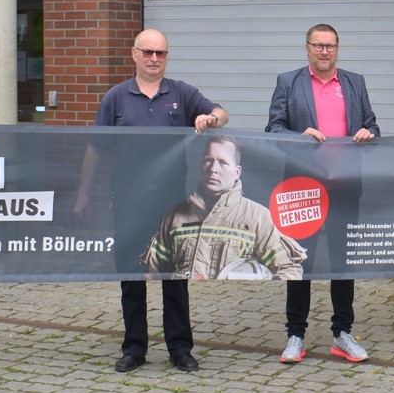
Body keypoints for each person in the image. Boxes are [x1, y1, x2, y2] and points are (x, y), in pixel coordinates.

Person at [74, 28, 227, 374]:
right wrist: (83, 193)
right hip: (127, 200)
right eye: (148, 52)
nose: (154, 59)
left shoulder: (182, 93)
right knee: (131, 274)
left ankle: (180, 349)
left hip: (172, 204)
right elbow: (95, 148)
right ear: (135, 54)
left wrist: (211, 118)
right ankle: (134, 347)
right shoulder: (115, 97)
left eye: (160, 53)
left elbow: (221, 112)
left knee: (175, 276)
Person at [266, 23, 378, 364]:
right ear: (307, 48)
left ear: (338, 49)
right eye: (318, 45)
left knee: (344, 262)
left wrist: (367, 133)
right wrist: (300, 134)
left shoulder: (355, 82)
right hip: (303, 188)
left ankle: (343, 333)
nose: (324, 51)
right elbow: (272, 128)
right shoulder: (288, 81)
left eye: (330, 46)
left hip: (345, 185)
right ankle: (295, 335)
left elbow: (373, 124)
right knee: (300, 260)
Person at [142, 134, 305, 282]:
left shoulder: (258, 218)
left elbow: (288, 270)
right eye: (208, 160)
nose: (213, 169)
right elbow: (153, 274)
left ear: (237, 172)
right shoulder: (174, 217)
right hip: (183, 310)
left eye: (223, 162)